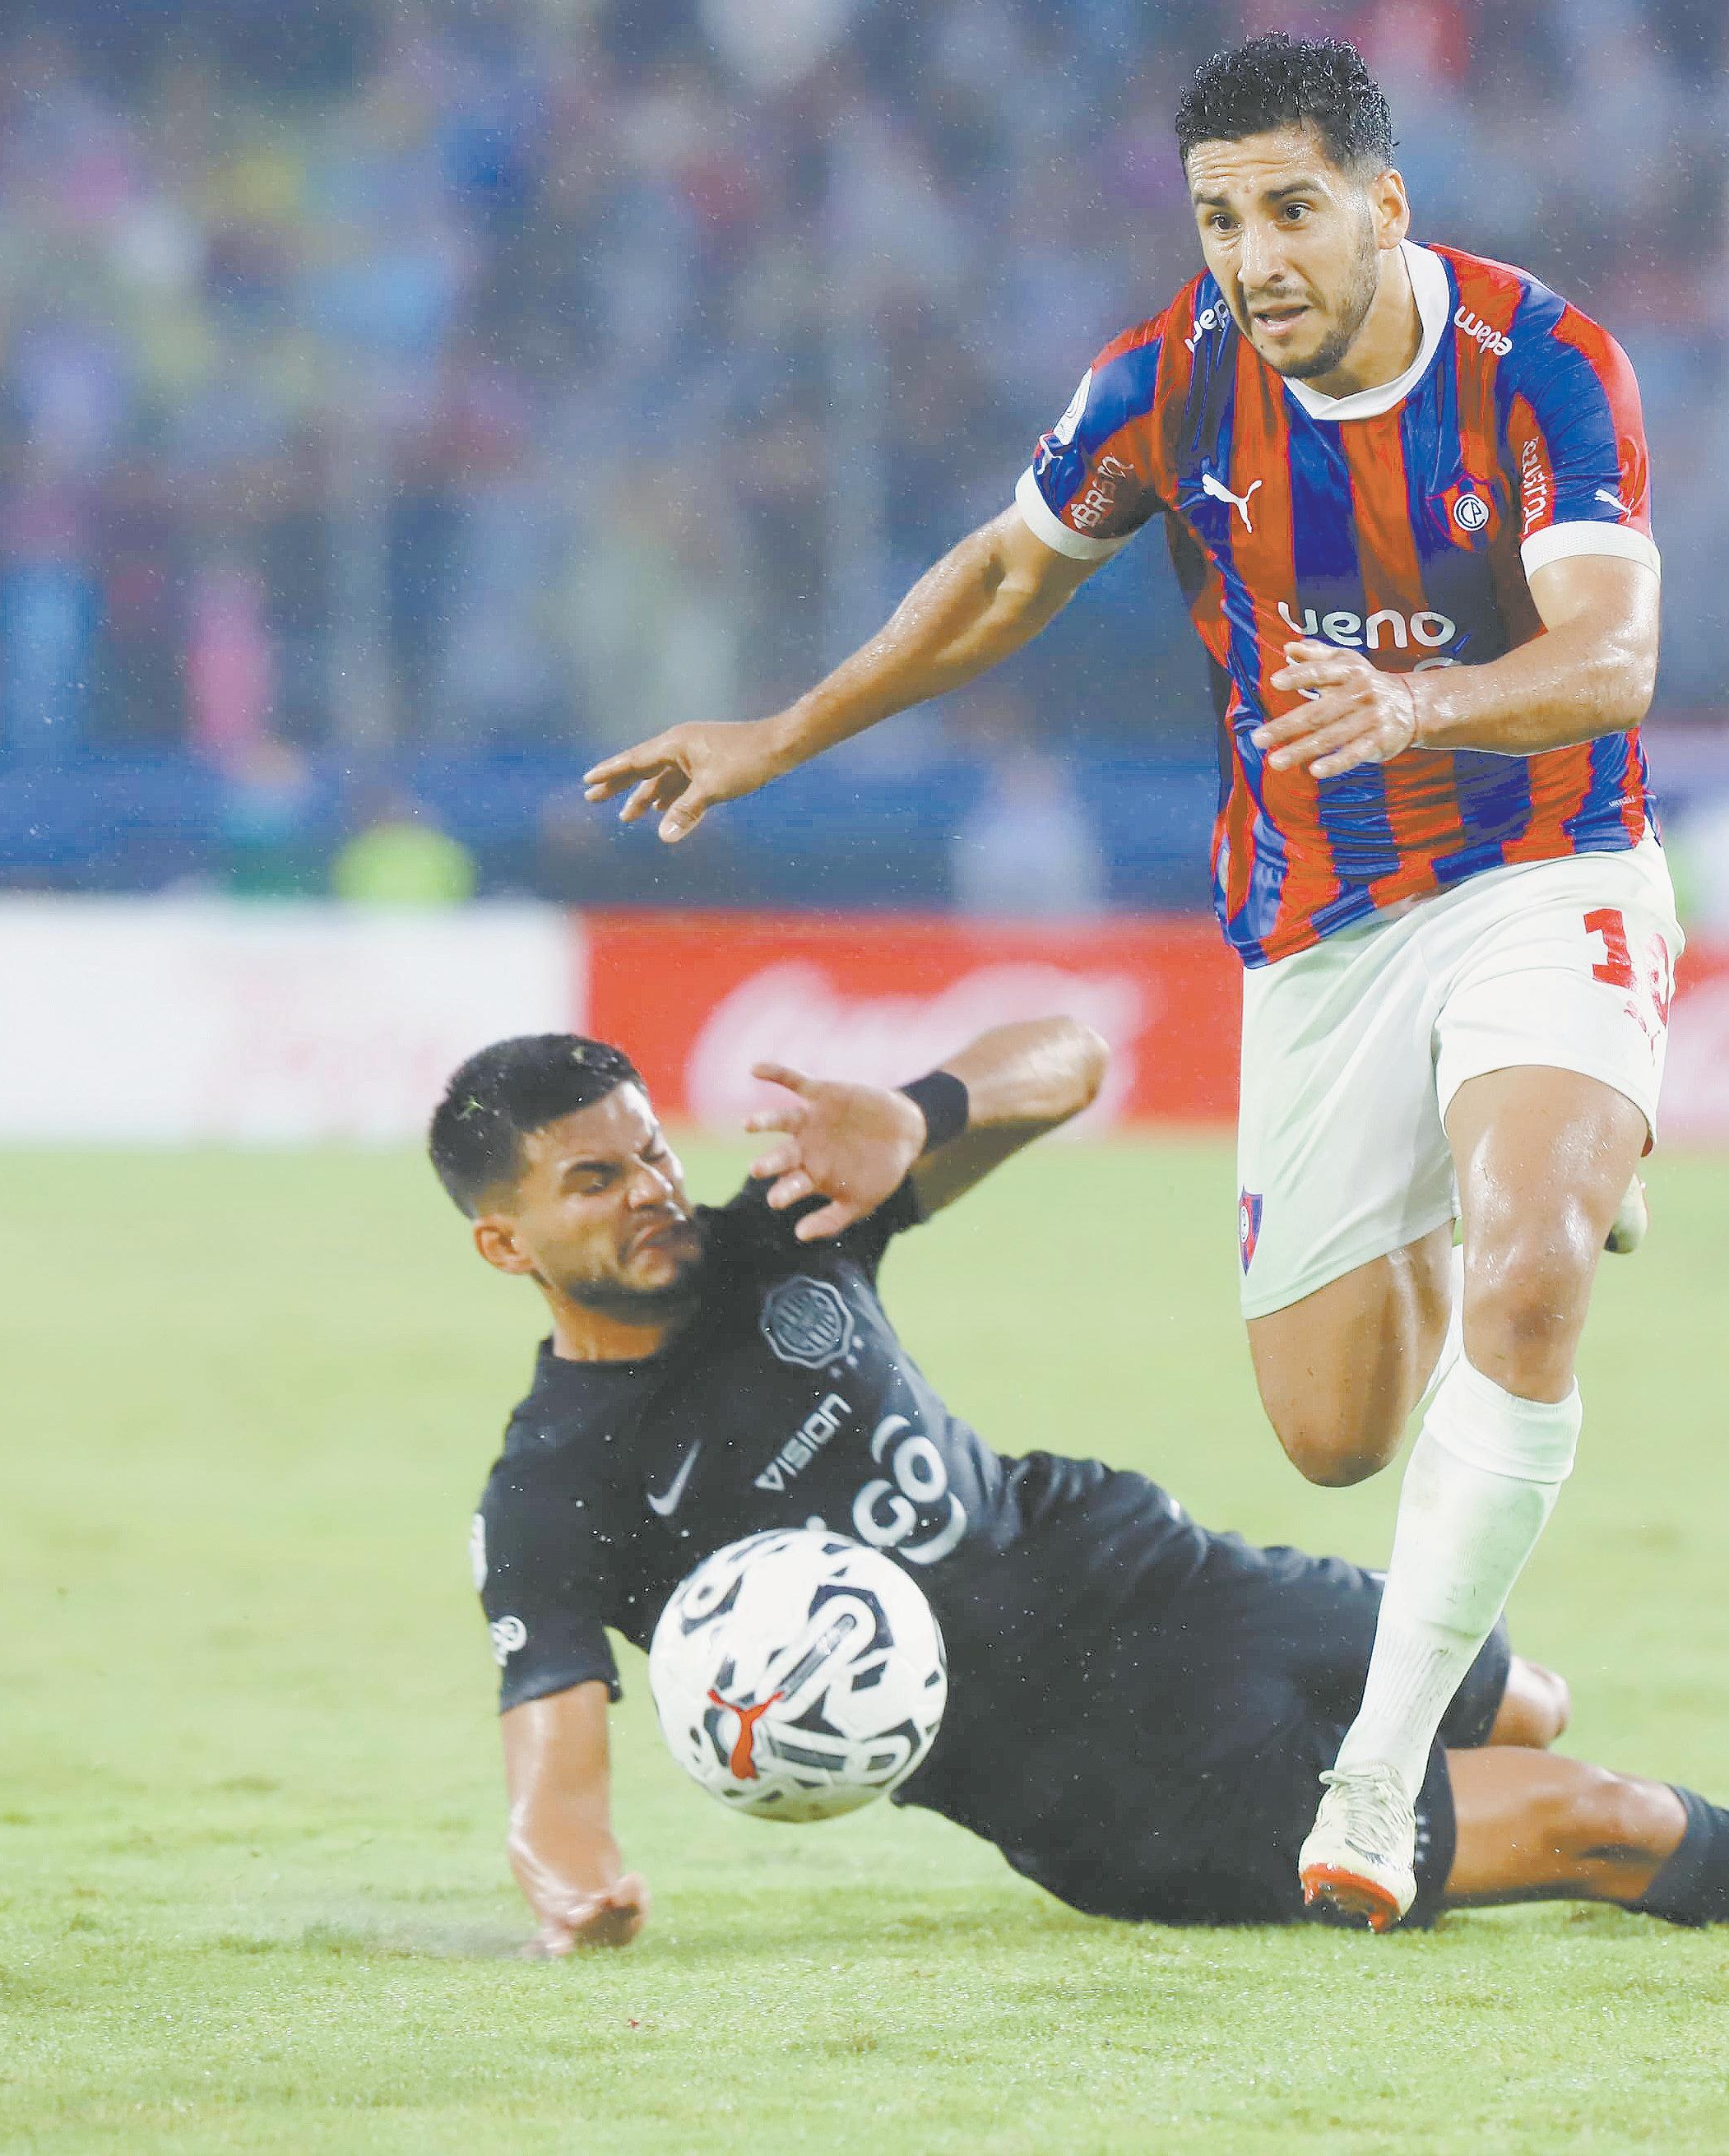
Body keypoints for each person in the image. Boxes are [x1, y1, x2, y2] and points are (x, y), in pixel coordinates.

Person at [577, 36, 1683, 1926]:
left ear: (1382, 206)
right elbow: (1006, 578)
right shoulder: (1165, 381)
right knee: (1332, 1434)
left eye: (1289, 210)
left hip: (1538, 864)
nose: (1252, 256)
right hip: (1317, 927)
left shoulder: (1536, 362)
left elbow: (1611, 655)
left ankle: (1372, 1767)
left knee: (1524, 1276)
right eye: (1217, 218)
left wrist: (1415, 702)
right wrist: (782, 731)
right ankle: (1525, 1136)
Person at [429, 1024, 1729, 1956]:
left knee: (1529, 1701)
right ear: (501, 1242)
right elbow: (555, 1786)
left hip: (1176, 1584)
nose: (652, 1193)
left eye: (651, 1153)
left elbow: (1073, 1056)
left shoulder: (786, 1227)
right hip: (1119, 1781)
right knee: (1607, 1821)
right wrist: (577, 1887)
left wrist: (923, 1111)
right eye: (596, 1181)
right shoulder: (550, 1491)